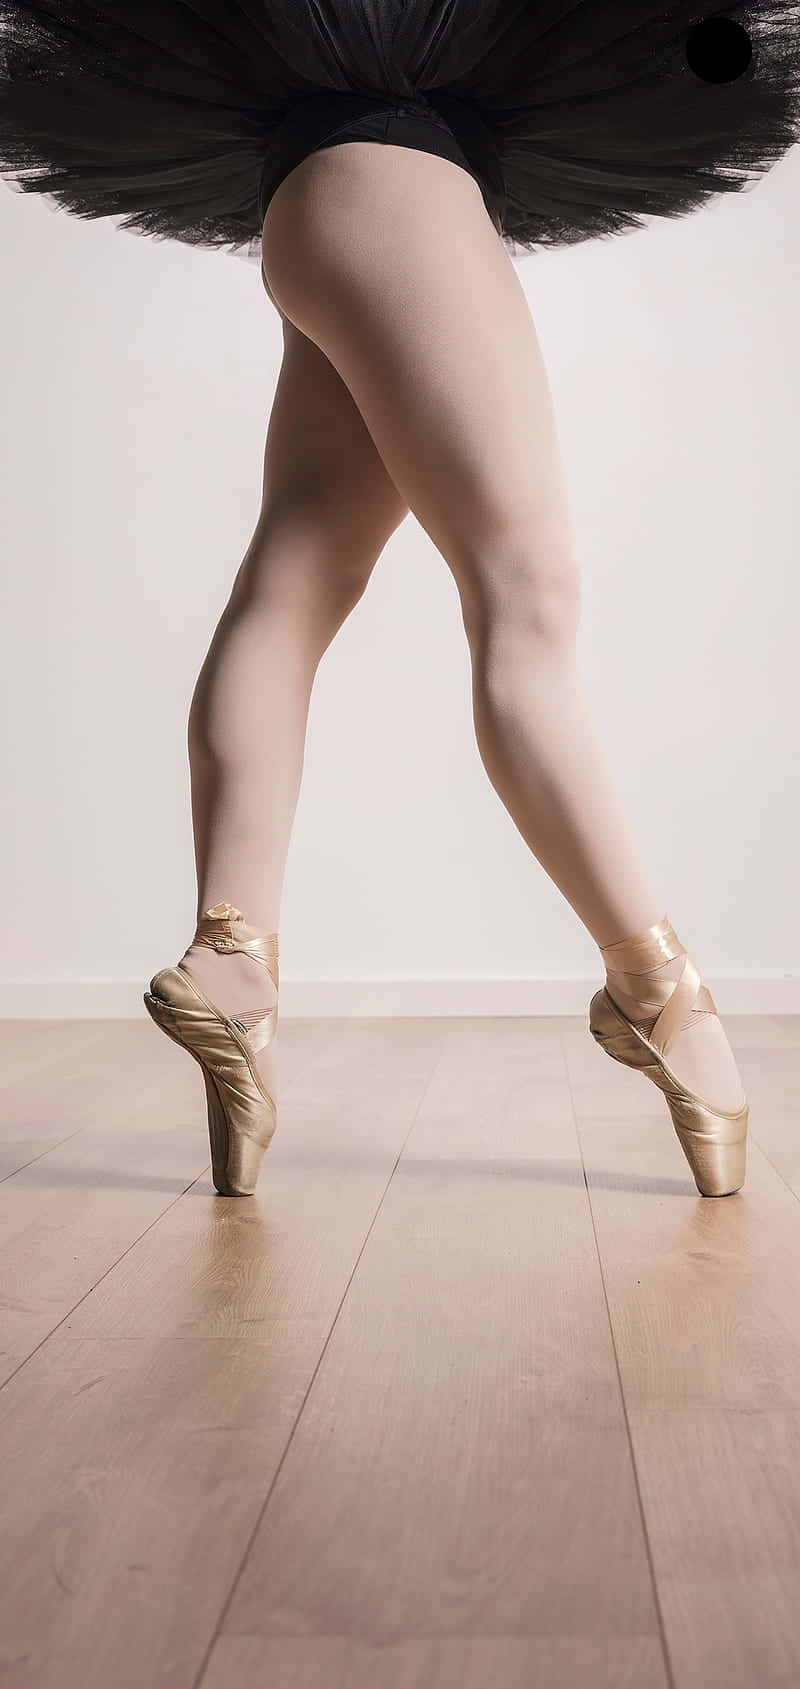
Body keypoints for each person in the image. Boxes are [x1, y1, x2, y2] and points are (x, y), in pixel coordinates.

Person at [3, 5, 798, 1197]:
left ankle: (234, 966)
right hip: (401, 179)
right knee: (522, 595)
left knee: (298, 572)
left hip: (308, 201)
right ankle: (656, 990)